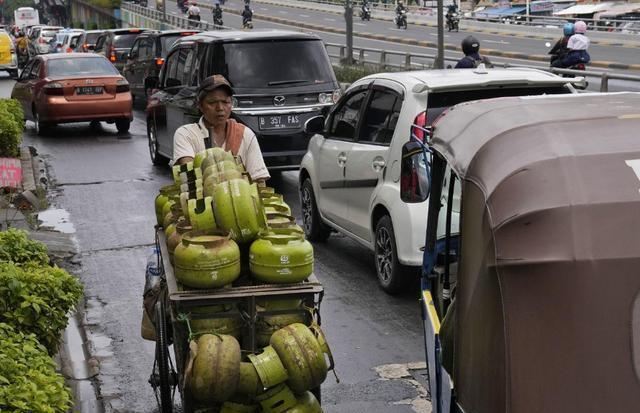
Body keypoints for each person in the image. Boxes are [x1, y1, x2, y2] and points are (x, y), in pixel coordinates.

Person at [173, 75, 270, 184]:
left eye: (225, 102)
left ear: (231, 104)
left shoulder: (245, 134)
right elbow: (189, 176)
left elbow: (259, 180)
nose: (220, 108)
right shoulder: (186, 134)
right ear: (200, 105)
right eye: (212, 102)